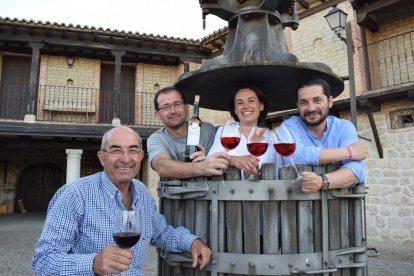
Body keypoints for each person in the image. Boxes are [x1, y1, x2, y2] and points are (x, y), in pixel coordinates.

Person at [32, 126, 211, 275]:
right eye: (116, 150)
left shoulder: (142, 192)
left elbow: (161, 233)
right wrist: (93, 263)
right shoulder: (75, 194)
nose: (125, 159)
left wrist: (192, 242)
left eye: (133, 150)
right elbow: (43, 261)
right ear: (102, 158)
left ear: (141, 156)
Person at [281, 78, 368, 193]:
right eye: (304, 102)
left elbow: (357, 170)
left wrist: (322, 181)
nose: (311, 108)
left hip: (338, 207)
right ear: (298, 105)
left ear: (330, 101)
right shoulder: (287, 127)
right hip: (292, 207)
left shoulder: (344, 127)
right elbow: (292, 156)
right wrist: (349, 152)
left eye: (317, 100)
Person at [147, 86, 230, 179]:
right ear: (158, 115)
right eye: (166, 107)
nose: (173, 111)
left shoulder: (207, 130)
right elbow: (162, 166)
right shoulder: (157, 139)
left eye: (177, 104)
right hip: (175, 193)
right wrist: (202, 168)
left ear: (186, 107)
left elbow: (224, 157)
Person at [208, 86, 280, 176]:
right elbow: (210, 163)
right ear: (235, 109)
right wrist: (233, 160)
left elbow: (279, 172)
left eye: (251, 101)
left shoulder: (272, 137)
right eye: (240, 103)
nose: (245, 106)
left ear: (261, 106)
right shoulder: (225, 131)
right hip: (229, 189)